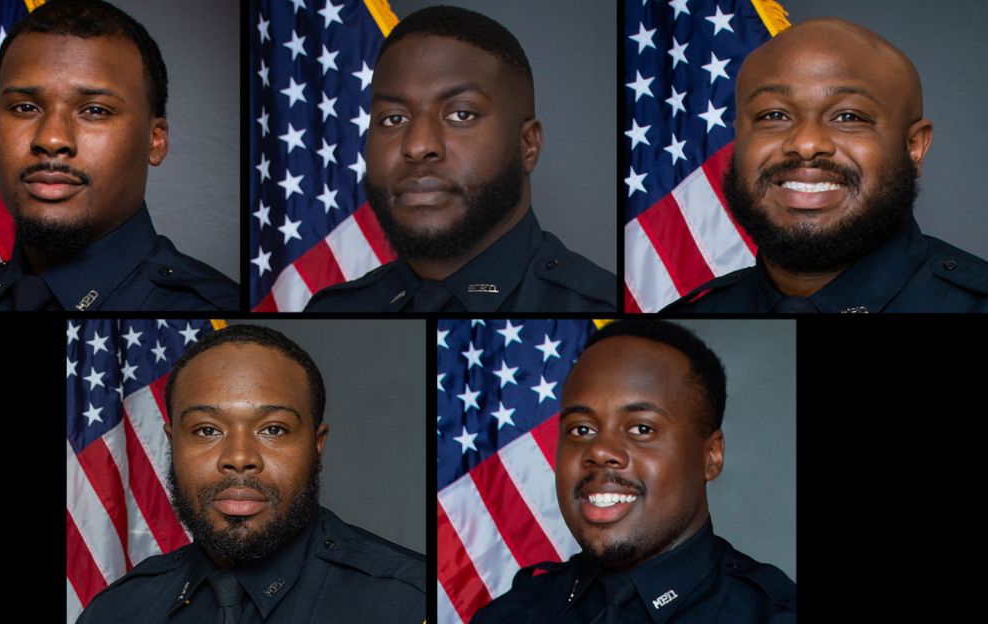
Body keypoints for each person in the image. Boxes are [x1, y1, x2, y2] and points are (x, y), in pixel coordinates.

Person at [76, 324, 425, 622]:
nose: (239, 457)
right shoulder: (117, 611)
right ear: (173, 445)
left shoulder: (413, 602)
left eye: (273, 429)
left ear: (316, 447)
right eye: (206, 430)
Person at [0, 0, 238, 311]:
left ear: (155, 141)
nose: (51, 139)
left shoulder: (219, 312)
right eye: (25, 107)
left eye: (94, 110)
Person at [471, 320, 795, 623]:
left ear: (711, 456)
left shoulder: (772, 614)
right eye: (581, 430)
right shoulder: (509, 614)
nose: (599, 450)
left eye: (641, 428)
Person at [303, 5, 617, 312]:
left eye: (461, 114)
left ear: (528, 145)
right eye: (392, 119)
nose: (417, 145)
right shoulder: (334, 309)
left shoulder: (603, 308)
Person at [664, 18, 988, 313]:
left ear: (913, 147)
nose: (805, 144)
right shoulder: (690, 316)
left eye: (849, 117)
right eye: (773, 116)